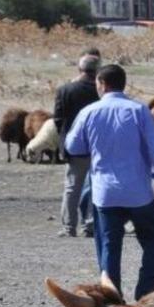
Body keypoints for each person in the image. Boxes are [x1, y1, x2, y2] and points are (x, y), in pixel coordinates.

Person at [64, 64, 154, 300]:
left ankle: (113, 298)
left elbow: (73, 146)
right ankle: (146, 291)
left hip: (105, 193)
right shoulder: (139, 110)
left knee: (109, 246)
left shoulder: (89, 112)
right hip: (139, 192)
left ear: (102, 84)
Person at [54, 53, 101, 237]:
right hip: (97, 146)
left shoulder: (65, 90)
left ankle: (68, 227)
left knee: (72, 187)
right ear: (96, 72)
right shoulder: (99, 92)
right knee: (95, 186)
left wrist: (64, 139)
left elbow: (58, 120)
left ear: (79, 69)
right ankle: (89, 225)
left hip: (74, 147)